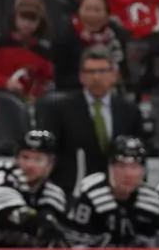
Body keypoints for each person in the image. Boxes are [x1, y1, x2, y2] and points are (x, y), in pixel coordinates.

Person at [44, 45, 143, 193]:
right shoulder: (61, 109)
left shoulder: (129, 110)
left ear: (114, 74)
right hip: (74, 191)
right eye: (90, 72)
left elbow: (138, 154)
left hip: (117, 193)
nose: (96, 77)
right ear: (81, 77)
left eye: (102, 71)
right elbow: (50, 155)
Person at [0, 129, 68, 248]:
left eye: (38, 159)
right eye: (25, 157)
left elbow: (52, 228)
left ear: (50, 165)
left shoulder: (53, 191)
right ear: (16, 159)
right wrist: (44, 223)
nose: (30, 165)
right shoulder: (1, 175)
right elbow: (11, 214)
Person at [66, 135, 159, 247]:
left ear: (144, 171)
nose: (128, 174)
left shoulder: (152, 201)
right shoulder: (91, 195)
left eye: (134, 167)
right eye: (121, 166)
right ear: (110, 168)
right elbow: (75, 245)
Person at [0, 0, 56, 101]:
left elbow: (48, 83)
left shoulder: (43, 52)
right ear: (15, 16)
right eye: (23, 17)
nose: (27, 23)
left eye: (33, 18)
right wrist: (6, 83)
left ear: (40, 22)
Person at [52, 0, 131, 92]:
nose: (92, 15)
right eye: (87, 9)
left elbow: (125, 74)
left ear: (107, 16)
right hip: (75, 93)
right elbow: (60, 79)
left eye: (97, 10)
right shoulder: (65, 38)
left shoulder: (117, 36)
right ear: (78, 13)